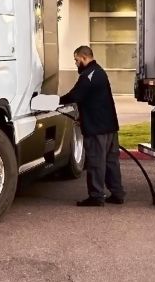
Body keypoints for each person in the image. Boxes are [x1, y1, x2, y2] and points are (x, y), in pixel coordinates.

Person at [59, 46, 125, 207]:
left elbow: (75, 95)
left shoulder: (88, 76)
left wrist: (56, 101)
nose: (75, 63)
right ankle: (117, 193)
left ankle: (96, 196)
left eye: (76, 60)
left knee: (96, 162)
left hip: (96, 128)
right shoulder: (99, 72)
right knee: (111, 162)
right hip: (109, 126)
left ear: (84, 57)